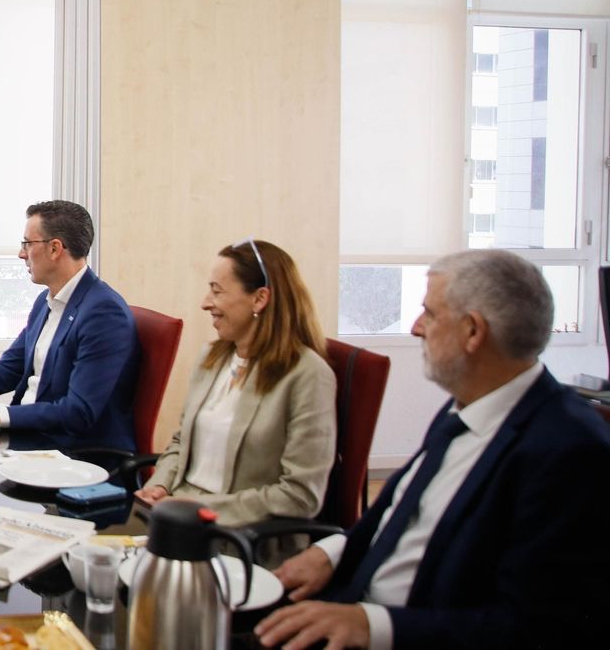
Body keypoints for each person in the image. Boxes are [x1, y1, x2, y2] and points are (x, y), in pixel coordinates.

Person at [255, 249, 610, 649]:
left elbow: (539, 628)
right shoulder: (465, 405)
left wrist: (373, 625)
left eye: (430, 313)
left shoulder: (568, 451)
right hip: (346, 603)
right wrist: (332, 553)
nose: (416, 327)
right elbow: (398, 513)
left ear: (473, 332)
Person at [136, 239, 336, 527]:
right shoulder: (213, 358)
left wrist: (199, 506)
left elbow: (300, 495)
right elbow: (182, 440)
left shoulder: (308, 375)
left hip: (241, 535)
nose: (206, 302)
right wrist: (161, 484)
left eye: (216, 291)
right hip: (177, 516)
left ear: (259, 298)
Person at [0, 200, 138, 443]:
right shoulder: (45, 302)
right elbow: (7, 370)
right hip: (28, 436)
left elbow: (79, 411)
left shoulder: (103, 312)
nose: (21, 254)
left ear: (55, 248)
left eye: (27, 243)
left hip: (68, 450)